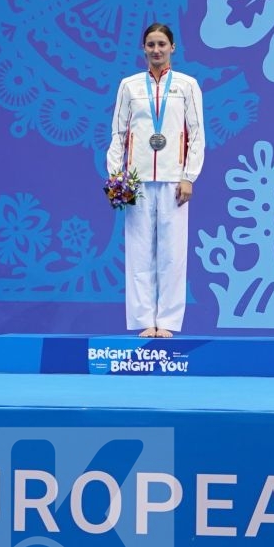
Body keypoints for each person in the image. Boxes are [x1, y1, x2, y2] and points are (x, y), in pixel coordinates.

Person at [105, 22, 205, 337]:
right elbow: (118, 133)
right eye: (151, 44)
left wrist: (189, 176)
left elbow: (198, 134)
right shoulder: (129, 86)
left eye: (162, 44)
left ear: (172, 47)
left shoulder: (188, 85)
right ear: (144, 48)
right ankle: (144, 321)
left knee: (173, 253)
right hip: (136, 179)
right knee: (138, 252)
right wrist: (116, 178)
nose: (157, 50)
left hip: (175, 180)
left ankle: (169, 323)